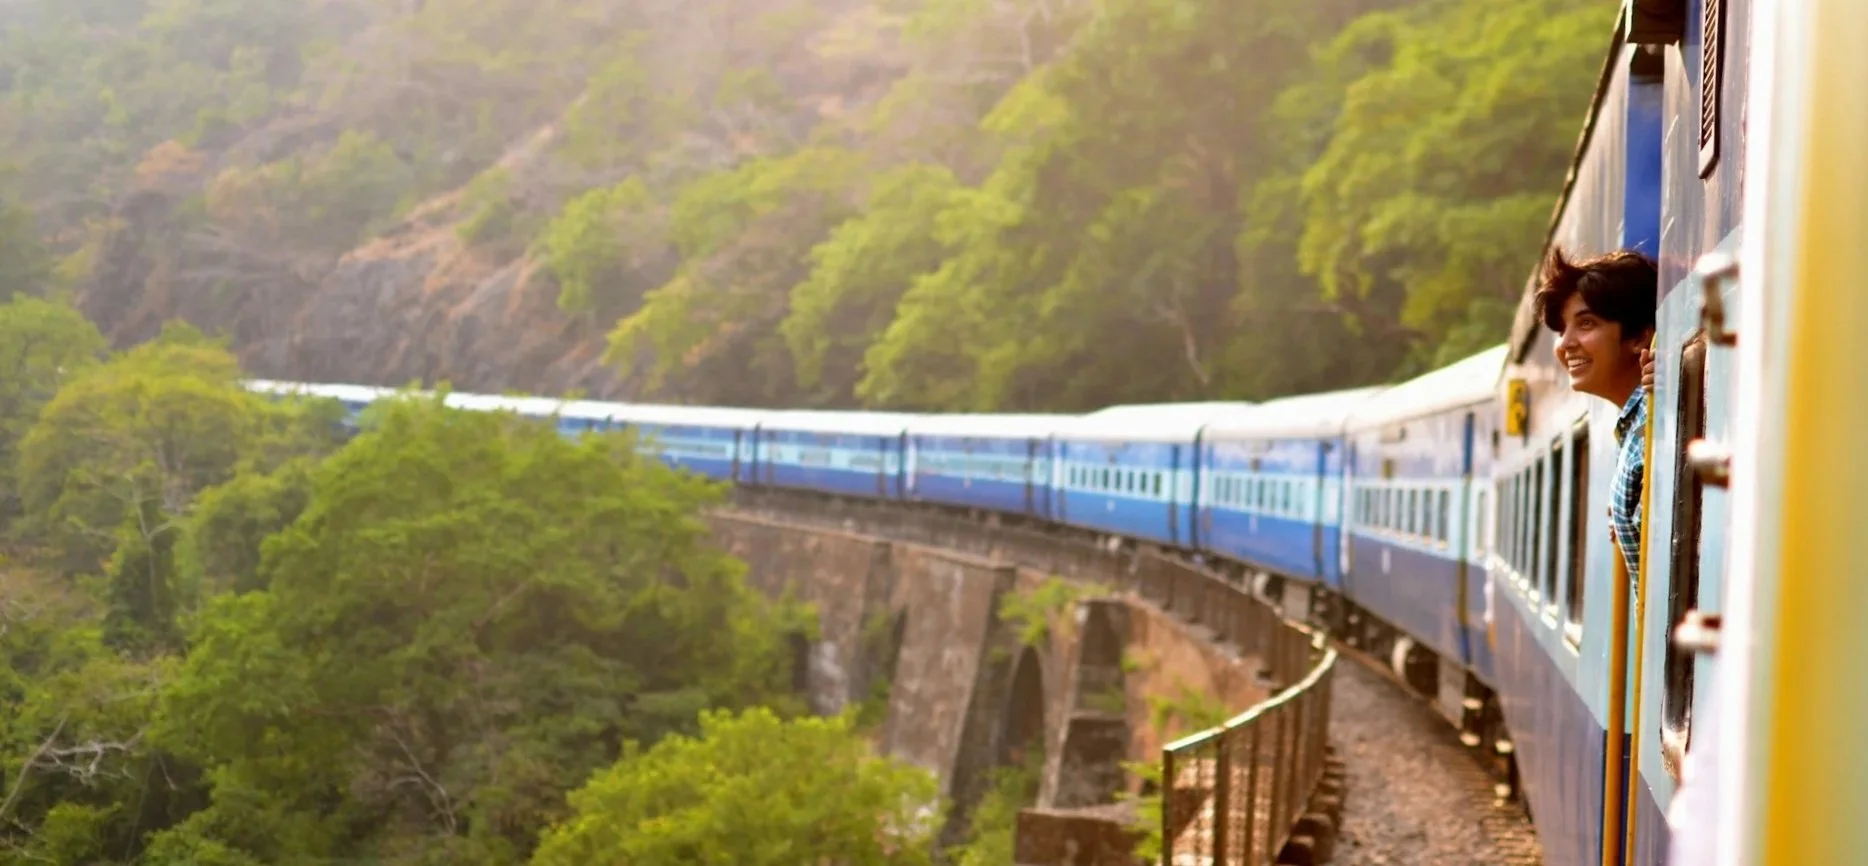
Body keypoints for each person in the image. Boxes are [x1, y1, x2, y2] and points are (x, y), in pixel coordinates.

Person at [1532, 247, 1659, 578]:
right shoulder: (1636, 426)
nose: (1565, 344)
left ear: (1640, 337)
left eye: (1586, 323)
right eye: (1562, 330)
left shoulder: (1658, 423)